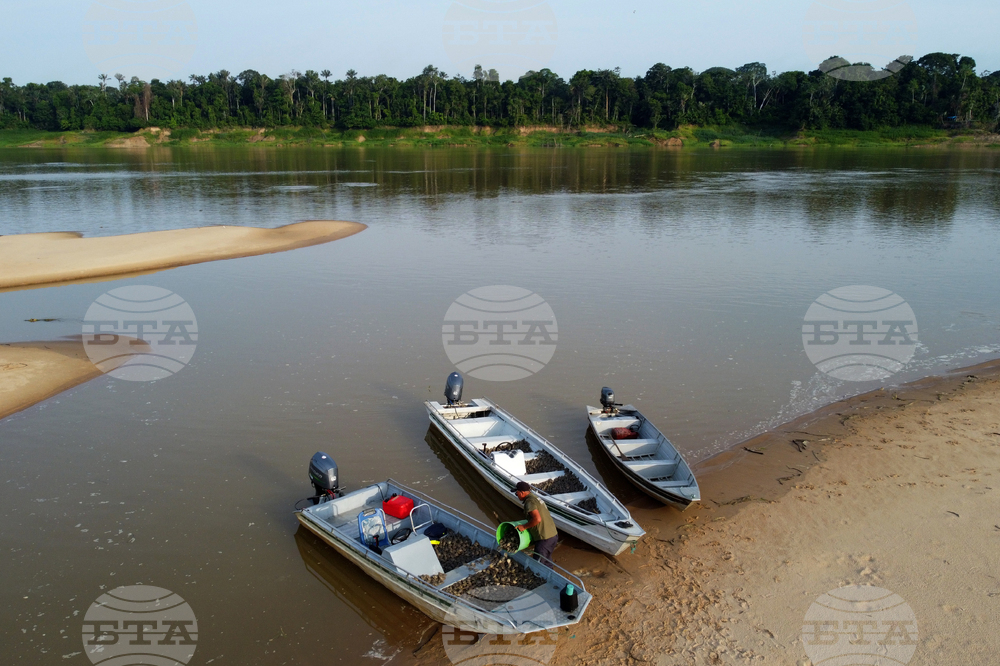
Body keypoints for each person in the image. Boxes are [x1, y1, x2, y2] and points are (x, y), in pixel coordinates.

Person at [514, 481, 558, 567]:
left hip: (544, 539)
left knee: (538, 565)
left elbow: (537, 519)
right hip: (553, 535)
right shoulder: (536, 498)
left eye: (517, 493)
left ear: (522, 492)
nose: (516, 495)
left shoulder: (529, 502)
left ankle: (542, 579)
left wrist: (524, 527)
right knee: (546, 562)